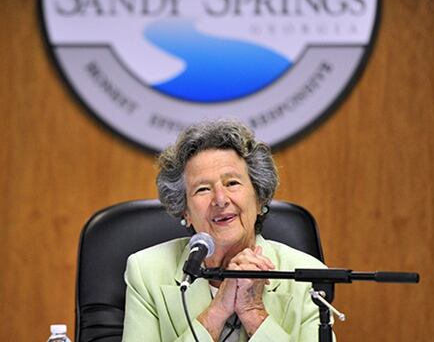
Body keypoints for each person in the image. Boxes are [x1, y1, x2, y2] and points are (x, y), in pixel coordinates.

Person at [123, 119, 328, 341]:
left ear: (259, 198)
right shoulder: (146, 271)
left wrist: (254, 313)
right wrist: (217, 310)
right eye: (202, 189)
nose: (220, 200)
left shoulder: (307, 274)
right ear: (185, 212)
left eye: (232, 183)